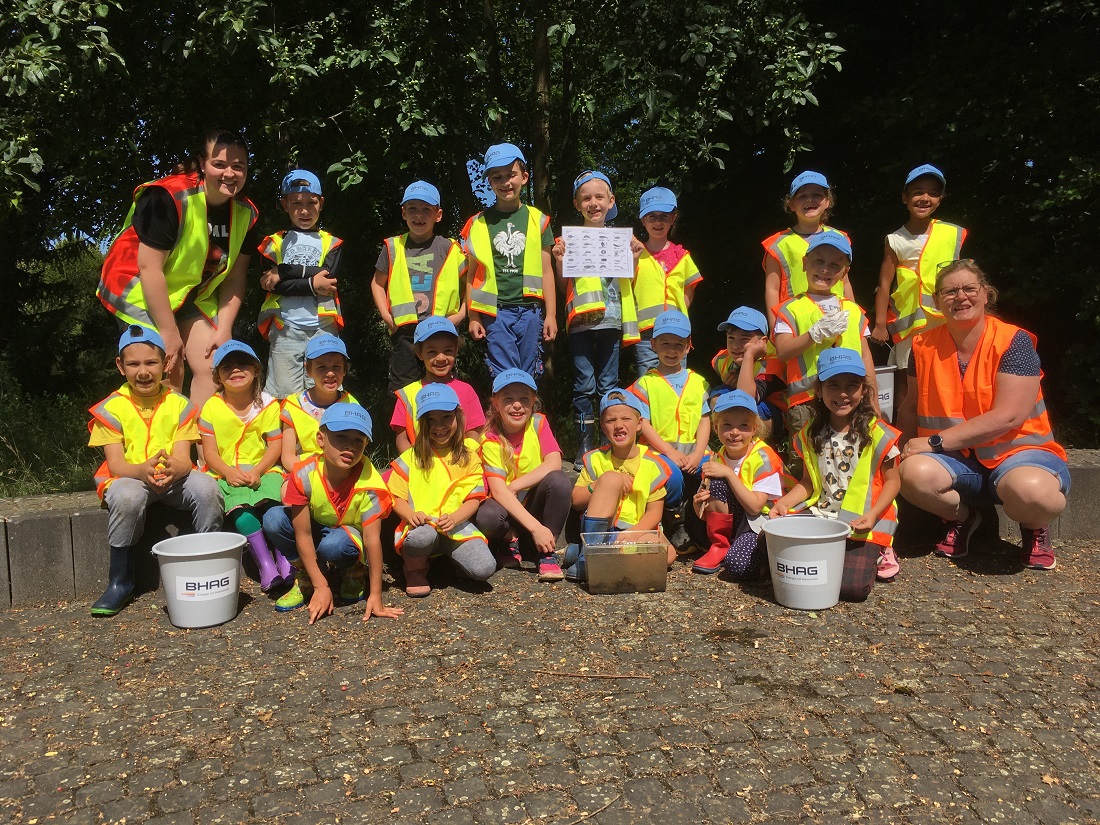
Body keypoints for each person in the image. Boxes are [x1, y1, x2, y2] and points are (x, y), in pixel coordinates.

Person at [897, 260, 1069, 570]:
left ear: (986, 294)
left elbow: (1009, 417)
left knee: (1032, 493)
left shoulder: (1012, 341)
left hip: (1020, 455)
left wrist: (935, 442)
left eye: (969, 289)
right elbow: (910, 406)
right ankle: (964, 518)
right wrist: (900, 450)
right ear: (936, 302)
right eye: (949, 291)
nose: (960, 297)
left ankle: (1034, 527)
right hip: (956, 460)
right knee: (911, 473)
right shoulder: (922, 346)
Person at [98, 129, 261, 409]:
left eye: (238, 166)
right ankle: (164, 449)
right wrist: (169, 333)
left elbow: (234, 279)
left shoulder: (247, 214)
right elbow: (149, 268)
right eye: (219, 164)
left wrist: (224, 329)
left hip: (185, 294)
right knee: (169, 366)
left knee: (214, 364)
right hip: (136, 286)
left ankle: (201, 449)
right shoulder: (167, 197)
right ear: (202, 163)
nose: (229, 173)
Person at [87, 325, 223, 616]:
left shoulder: (181, 405)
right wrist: (142, 469)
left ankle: (207, 560)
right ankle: (120, 581)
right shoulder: (110, 409)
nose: (143, 372)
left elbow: (185, 461)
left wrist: (177, 467)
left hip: (174, 480)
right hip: (131, 477)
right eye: (133, 364)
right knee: (126, 498)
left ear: (166, 364)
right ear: (120, 366)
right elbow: (116, 465)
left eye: (151, 363)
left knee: (207, 489)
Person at [771, 349, 902, 600]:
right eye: (833, 385)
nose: (843, 393)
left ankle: (882, 551)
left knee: (850, 589)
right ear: (819, 391)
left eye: (851, 386)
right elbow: (809, 483)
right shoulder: (811, 433)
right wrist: (784, 504)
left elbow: (893, 482)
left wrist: (873, 515)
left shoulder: (879, 433)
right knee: (770, 550)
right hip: (822, 515)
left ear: (863, 390)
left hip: (862, 521)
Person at [262, 403, 403, 622]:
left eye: (359, 440)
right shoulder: (304, 474)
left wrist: (375, 596)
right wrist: (322, 586)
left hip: (347, 539)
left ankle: (354, 571)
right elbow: (303, 534)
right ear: (321, 439)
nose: (350, 447)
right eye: (341, 437)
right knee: (274, 518)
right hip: (316, 528)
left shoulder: (372, 485)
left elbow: (373, 540)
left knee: (334, 546)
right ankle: (309, 575)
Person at [553, 170, 640, 468]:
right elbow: (565, 285)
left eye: (599, 197)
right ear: (577, 204)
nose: (593, 203)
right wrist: (559, 259)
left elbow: (633, 280)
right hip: (579, 323)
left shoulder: (624, 241)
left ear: (611, 201)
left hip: (612, 322)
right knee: (583, 386)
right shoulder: (568, 240)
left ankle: (609, 443)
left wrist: (637, 257)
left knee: (608, 384)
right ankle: (585, 444)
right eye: (586, 198)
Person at [872, 164, 966, 411]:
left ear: (940, 199)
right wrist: (880, 324)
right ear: (905, 197)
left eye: (933, 193)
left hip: (947, 320)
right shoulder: (896, 239)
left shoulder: (950, 234)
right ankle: (905, 437)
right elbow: (884, 284)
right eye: (917, 192)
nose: (925, 198)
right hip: (910, 325)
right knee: (907, 380)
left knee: (949, 377)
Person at [387, 384, 495, 597]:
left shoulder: (470, 457)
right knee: (421, 538)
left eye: (446, 417)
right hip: (421, 526)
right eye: (431, 420)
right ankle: (414, 569)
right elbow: (395, 497)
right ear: (421, 423)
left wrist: (454, 518)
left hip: (456, 527)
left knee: (484, 568)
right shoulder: (410, 457)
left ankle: (447, 560)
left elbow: (473, 499)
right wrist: (411, 514)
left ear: (458, 417)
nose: (440, 426)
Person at [199, 341, 289, 592]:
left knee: (275, 503)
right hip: (226, 471)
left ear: (256, 370)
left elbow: (274, 446)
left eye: (243, 365)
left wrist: (259, 471)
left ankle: (286, 559)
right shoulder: (211, 407)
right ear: (218, 376)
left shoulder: (268, 404)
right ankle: (265, 564)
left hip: (265, 468)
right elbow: (210, 452)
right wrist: (227, 472)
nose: (235, 371)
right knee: (242, 511)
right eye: (227, 367)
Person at [461, 142, 557, 378]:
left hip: (531, 311)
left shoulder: (539, 220)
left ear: (524, 177)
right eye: (497, 177)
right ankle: (502, 416)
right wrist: (473, 316)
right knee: (504, 375)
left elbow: (547, 271)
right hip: (495, 313)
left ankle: (529, 416)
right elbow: (472, 274)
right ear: (490, 182)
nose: (505, 182)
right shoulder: (477, 224)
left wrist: (552, 315)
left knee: (529, 373)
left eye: (511, 175)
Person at [772, 231, 878, 436]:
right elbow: (783, 351)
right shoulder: (790, 309)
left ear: (844, 272)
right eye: (818, 261)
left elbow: (866, 356)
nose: (824, 269)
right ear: (804, 263)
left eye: (834, 265)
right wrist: (813, 335)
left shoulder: (854, 310)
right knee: (806, 459)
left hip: (850, 400)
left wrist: (873, 400)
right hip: (807, 401)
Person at [564, 390, 673, 582]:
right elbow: (576, 501)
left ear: (639, 424)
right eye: (611, 421)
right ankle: (589, 558)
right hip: (600, 532)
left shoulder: (653, 464)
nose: (619, 425)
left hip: (636, 531)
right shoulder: (595, 459)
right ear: (603, 428)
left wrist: (632, 534)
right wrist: (599, 483)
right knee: (611, 479)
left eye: (626, 419)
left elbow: (654, 513)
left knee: (669, 555)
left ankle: (585, 554)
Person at [256, 169, 346, 399]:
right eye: (296, 203)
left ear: (321, 203)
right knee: (284, 393)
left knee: (325, 391)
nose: (304, 210)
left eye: (311, 202)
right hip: (285, 328)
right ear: (285, 204)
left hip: (323, 328)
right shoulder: (273, 242)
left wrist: (284, 270)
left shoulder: (332, 242)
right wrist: (312, 283)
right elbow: (271, 284)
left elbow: (329, 274)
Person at [477, 369, 571, 581]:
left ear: (533, 401)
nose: (517, 405)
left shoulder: (538, 423)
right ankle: (509, 539)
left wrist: (517, 484)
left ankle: (547, 550)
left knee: (560, 480)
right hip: (507, 513)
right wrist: (535, 528)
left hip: (532, 504)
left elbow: (554, 462)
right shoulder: (489, 437)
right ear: (496, 403)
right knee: (487, 515)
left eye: (524, 399)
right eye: (508, 399)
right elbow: (500, 492)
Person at [371, 181, 466, 392]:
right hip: (405, 332)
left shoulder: (449, 248)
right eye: (412, 209)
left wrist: (461, 315)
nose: (419, 215)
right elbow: (377, 284)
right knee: (403, 392)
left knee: (442, 391)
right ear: (403, 213)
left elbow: (471, 283)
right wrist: (387, 317)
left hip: (440, 332)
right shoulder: (393, 246)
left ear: (438, 215)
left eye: (426, 210)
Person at [630, 310, 710, 549]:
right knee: (672, 477)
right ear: (653, 345)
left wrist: (698, 453)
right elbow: (643, 424)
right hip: (659, 454)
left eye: (678, 344)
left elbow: (705, 420)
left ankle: (710, 528)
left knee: (712, 474)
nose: (672, 350)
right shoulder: (644, 383)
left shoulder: (699, 381)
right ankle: (676, 522)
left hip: (695, 451)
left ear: (688, 347)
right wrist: (669, 453)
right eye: (665, 343)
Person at [691, 390, 790, 578]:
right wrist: (698, 504)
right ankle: (719, 546)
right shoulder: (716, 457)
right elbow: (706, 515)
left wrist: (728, 473)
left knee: (737, 565)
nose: (734, 433)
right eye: (727, 425)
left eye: (743, 426)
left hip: (761, 523)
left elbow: (755, 508)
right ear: (716, 427)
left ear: (754, 429)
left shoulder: (763, 457)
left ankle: (771, 563)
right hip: (734, 522)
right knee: (717, 481)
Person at [762, 170, 854, 330]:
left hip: (836, 319)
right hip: (796, 322)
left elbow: (845, 282)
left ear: (827, 202)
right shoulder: (778, 244)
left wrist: (853, 317)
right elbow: (772, 289)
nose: (810, 199)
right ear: (791, 204)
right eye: (802, 196)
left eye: (817, 195)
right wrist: (775, 327)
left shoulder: (841, 238)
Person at [632, 186, 702, 375]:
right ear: (643, 220)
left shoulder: (682, 255)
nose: (658, 222)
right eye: (652, 216)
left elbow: (689, 291)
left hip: (676, 331)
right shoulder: (636, 255)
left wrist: (678, 314)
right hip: (647, 333)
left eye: (664, 216)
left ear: (673, 218)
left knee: (675, 379)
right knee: (647, 381)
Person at [390, 317, 486, 453]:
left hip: (460, 467)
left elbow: (474, 433)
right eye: (432, 352)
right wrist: (416, 463)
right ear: (419, 353)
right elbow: (401, 439)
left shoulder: (467, 391)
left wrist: (460, 460)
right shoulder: (407, 393)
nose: (441, 358)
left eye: (447, 351)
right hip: (422, 467)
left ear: (456, 350)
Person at [279, 334, 358, 470]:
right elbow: (287, 458)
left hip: (341, 472)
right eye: (322, 367)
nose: (330, 373)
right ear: (309, 370)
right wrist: (314, 477)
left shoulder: (352, 406)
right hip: (303, 471)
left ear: (345, 370)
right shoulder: (293, 405)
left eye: (336, 367)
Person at [710, 306, 786, 435]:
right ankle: (729, 438)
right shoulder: (723, 359)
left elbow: (746, 397)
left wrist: (749, 355)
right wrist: (728, 384)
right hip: (744, 408)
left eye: (744, 339)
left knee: (743, 406)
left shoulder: (773, 364)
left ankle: (755, 443)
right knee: (718, 394)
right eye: (731, 338)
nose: (735, 345)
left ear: (762, 342)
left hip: (775, 416)